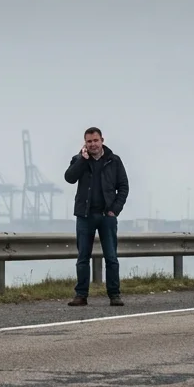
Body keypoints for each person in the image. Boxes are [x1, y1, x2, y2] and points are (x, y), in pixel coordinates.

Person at [63, 126, 129, 306]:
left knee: (111, 257)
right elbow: (69, 178)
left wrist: (115, 209)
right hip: (85, 216)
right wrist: (82, 161)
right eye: (89, 141)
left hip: (107, 216)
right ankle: (81, 295)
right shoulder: (79, 159)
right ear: (85, 143)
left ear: (102, 140)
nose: (92, 144)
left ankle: (114, 295)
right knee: (83, 257)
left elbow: (123, 186)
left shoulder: (114, 161)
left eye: (95, 140)